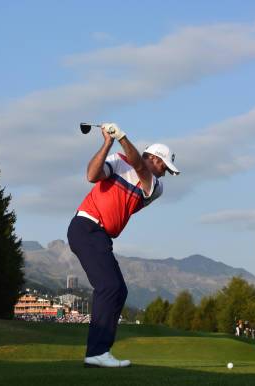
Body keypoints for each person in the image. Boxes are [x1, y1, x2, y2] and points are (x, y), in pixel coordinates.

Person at [67, 123, 180, 368]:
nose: (164, 173)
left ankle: (99, 352)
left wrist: (122, 137)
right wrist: (108, 142)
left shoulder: (154, 186)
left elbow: (139, 166)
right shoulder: (117, 160)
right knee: (108, 286)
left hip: (100, 235)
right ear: (153, 158)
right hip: (86, 226)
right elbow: (91, 175)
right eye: (164, 166)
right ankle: (97, 353)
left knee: (119, 291)